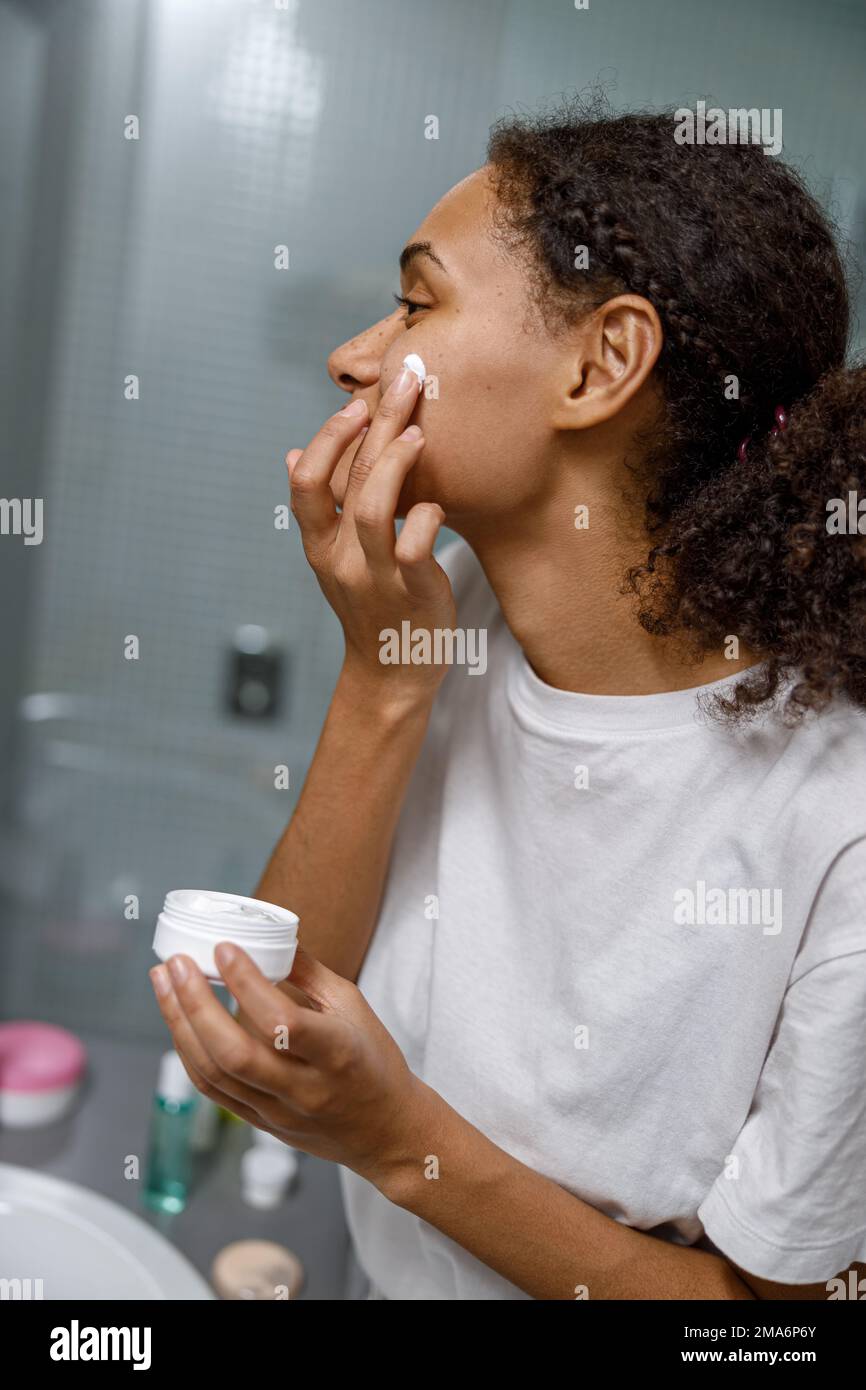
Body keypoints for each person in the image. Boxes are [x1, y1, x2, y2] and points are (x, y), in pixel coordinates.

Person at [150, 99, 866, 1300]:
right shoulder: (451, 615)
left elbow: (776, 1329)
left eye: (418, 300)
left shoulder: (834, 819)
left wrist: (397, 1142)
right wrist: (381, 676)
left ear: (599, 363)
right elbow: (271, 1029)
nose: (354, 357)